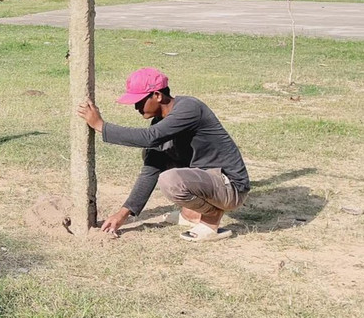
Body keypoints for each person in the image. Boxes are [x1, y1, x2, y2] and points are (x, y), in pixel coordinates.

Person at [77, 68, 250, 242]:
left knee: (170, 180)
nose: (136, 107)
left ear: (158, 95)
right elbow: (151, 169)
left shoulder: (189, 108)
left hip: (230, 185)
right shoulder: (161, 122)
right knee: (154, 156)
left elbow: (149, 137)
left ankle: (211, 218)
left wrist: (101, 126)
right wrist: (123, 214)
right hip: (210, 180)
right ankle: (192, 214)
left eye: (140, 101)